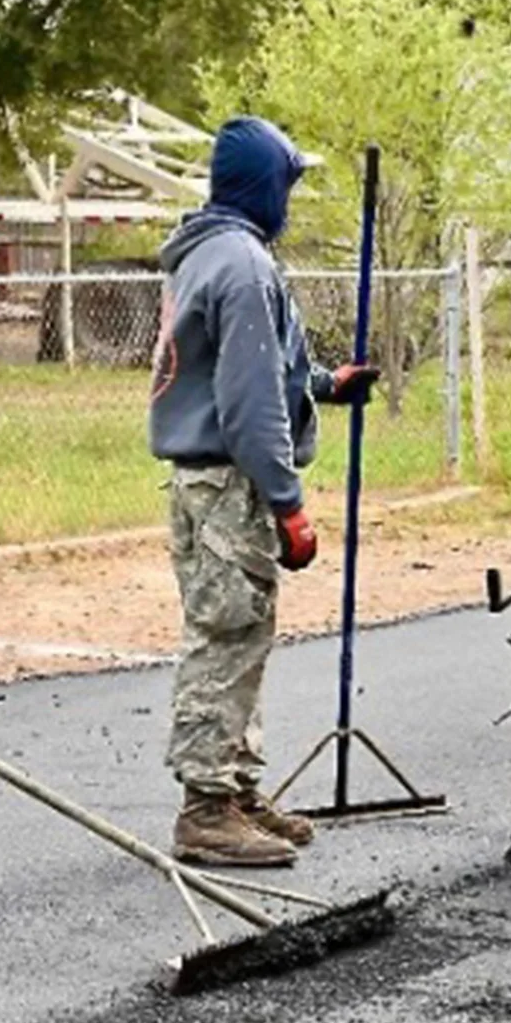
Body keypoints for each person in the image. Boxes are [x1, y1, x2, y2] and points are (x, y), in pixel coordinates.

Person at [148, 117, 380, 867]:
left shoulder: (211, 254)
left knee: (244, 633)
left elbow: (255, 377)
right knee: (225, 635)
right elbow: (247, 407)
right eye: (289, 182)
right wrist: (289, 503)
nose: (292, 196)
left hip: (214, 478)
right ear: (265, 185)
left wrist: (323, 385)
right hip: (229, 484)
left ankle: (238, 788)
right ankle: (207, 808)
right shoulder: (242, 265)